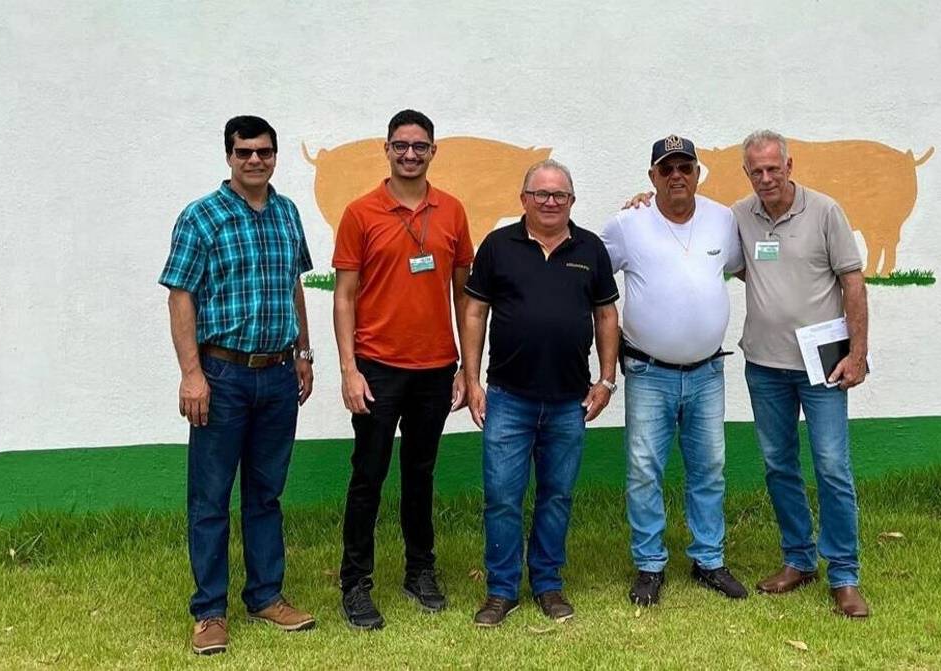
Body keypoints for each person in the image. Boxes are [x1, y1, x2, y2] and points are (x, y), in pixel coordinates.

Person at [160, 115, 317, 656]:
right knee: (209, 497)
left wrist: (302, 352)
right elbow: (180, 296)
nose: (256, 160)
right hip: (221, 375)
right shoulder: (202, 217)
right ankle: (209, 612)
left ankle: (266, 595)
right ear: (228, 156)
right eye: (244, 151)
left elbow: (294, 284)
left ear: (275, 156)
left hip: (277, 373)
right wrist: (191, 374)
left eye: (265, 152)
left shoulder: (287, 213)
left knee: (265, 492)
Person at [460, 159, 619, 627]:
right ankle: (501, 590)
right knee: (503, 497)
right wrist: (471, 381)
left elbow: (606, 316)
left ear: (571, 201)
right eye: (541, 194)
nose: (550, 203)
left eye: (560, 196)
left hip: (570, 401)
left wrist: (606, 379)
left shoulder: (590, 248)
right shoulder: (497, 246)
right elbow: (474, 314)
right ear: (523, 198)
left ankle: (548, 585)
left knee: (556, 496)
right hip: (509, 398)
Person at [332, 109, 474, 630]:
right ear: (386, 149)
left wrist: (467, 368)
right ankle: (355, 583)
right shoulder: (360, 212)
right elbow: (344, 297)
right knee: (367, 475)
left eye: (419, 145)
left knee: (420, 474)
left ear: (433, 150)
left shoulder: (453, 211)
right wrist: (349, 369)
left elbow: (466, 296)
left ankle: (420, 571)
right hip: (377, 367)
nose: (409, 153)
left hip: (436, 368)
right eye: (400, 145)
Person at [600, 135, 748, 608]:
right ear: (651, 178)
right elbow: (589, 274)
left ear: (699, 172)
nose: (677, 176)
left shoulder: (723, 221)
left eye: (686, 167)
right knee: (645, 470)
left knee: (710, 468)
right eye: (666, 170)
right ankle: (649, 564)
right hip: (648, 372)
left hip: (707, 372)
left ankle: (708, 558)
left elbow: (748, 266)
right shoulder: (628, 223)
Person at [732, 130, 871, 618]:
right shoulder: (738, 217)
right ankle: (798, 559)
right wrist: (645, 202)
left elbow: (852, 282)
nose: (766, 178)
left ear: (790, 166)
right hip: (764, 366)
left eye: (774, 168)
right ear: (746, 173)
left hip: (823, 364)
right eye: (756, 171)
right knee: (779, 466)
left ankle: (845, 575)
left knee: (832, 467)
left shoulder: (826, 211)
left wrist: (858, 353)